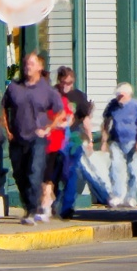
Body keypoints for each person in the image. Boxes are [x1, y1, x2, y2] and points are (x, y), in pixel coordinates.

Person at [2, 52, 65, 223]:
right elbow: (3, 107)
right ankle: (29, 205)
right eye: (26, 63)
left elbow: (61, 111)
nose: (28, 67)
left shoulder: (46, 90)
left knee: (34, 172)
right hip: (17, 138)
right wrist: (7, 130)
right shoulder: (14, 87)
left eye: (31, 63)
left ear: (39, 67)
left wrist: (49, 128)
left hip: (37, 138)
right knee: (19, 174)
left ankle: (31, 210)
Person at [51, 67, 93, 219]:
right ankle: (52, 204)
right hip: (54, 138)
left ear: (73, 81)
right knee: (53, 173)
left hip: (73, 138)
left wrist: (90, 139)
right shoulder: (52, 94)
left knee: (70, 173)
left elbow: (86, 119)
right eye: (63, 82)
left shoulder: (78, 96)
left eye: (68, 82)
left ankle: (66, 208)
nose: (65, 86)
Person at [103, 82, 137, 208]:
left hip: (132, 142)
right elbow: (106, 123)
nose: (119, 99)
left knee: (133, 170)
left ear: (129, 95)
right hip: (116, 141)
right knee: (116, 168)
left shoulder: (136, 105)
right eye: (118, 96)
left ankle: (131, 197)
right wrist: (104, 142)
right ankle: (118, 196)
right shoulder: (112, 105)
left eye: (122, 96)